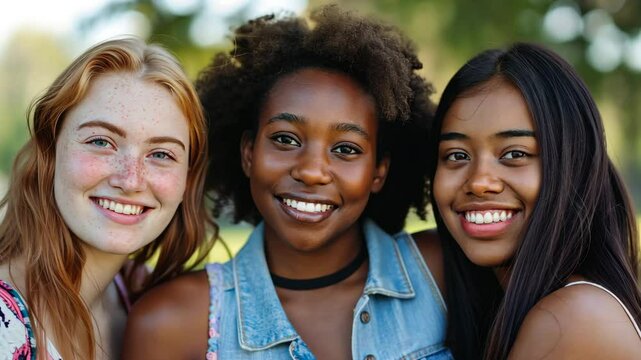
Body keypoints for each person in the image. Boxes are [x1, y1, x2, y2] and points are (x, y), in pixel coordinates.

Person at [123, 5, 451, 359]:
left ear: (378, 173)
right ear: (248, 153)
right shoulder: (172, 323)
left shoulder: (440, 274)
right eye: (285, 139)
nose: (311, 171)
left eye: (345, 148)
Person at [0, 37, 215, 359]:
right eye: (101, 142)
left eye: (160, 154)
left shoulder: (143, 304)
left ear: (188, 179)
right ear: (51, 151)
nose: (130, 180)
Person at [428, 42, 641, 359]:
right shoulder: (510, 305)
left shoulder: (572, 320)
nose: (479, 182)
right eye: (456, 156)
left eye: (515, 154)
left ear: (573, 166)